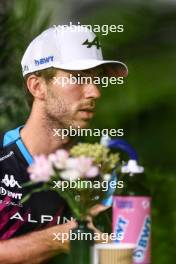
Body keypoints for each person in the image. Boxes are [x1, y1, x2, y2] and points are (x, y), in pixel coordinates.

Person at [0, 25, 128, 263]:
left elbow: (126, 255)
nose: (95, 92)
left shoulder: (105, 169)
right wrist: (60, 238)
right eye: (79, 78)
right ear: (38, 87)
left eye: (96, 79)